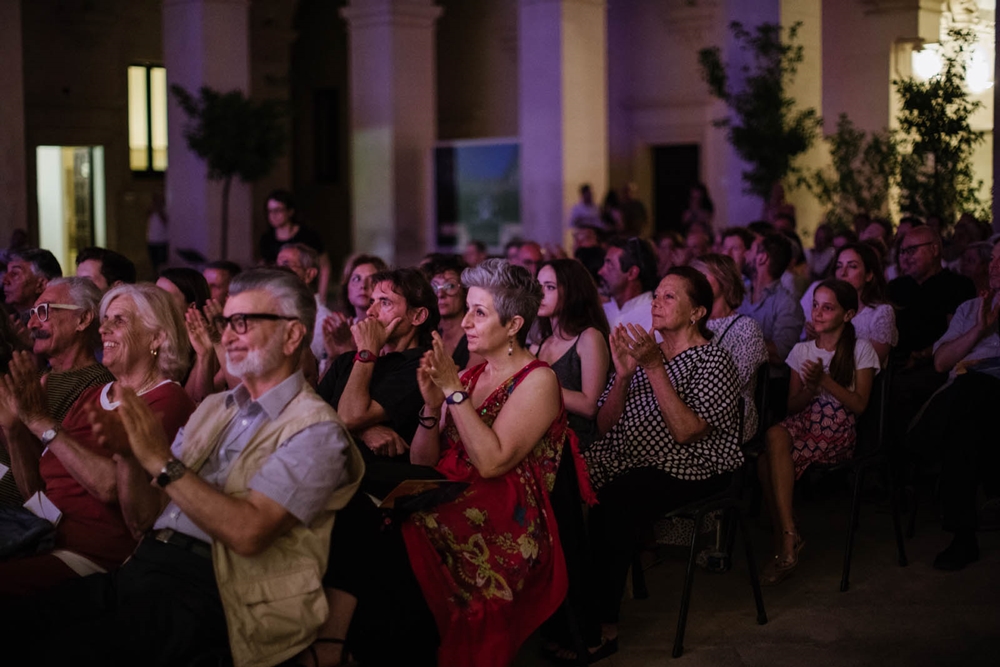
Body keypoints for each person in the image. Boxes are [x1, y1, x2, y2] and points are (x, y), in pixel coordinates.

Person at [0, 269, 364, 667]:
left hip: (217, 589)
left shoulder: (316, 429)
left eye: (242, 323)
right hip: (144, 566)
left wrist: (161, 462)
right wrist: (126, 456)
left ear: (293, 336)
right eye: (225, 323)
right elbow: (142, 520)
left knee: (54, 653)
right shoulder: (215, 408)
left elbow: (248, 532)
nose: (226, 335)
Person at [397, 258, 571, 667]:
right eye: (469, 309)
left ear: (512, 325)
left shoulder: (538, 379)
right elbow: (422, 461)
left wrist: (454, 394)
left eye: (480, 312)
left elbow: (492, 463)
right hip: (453, 490)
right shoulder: (473, 375)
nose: (467, 321)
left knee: (409, 529)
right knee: (376, 517)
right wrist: (430, 404)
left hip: (507, 513)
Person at [575, 266, 743, 660]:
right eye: (656, 295)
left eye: (670, 297)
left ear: (697, 312)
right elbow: (602, 426)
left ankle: (603, 626)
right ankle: (565, 611)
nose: (657, 303)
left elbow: (686, 432)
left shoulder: (713, 360)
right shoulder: (646, 352)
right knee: (560, 481)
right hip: (627, 456)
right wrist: (621, 376)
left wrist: (652, 368)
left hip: (695, 465)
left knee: (615, 499)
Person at [0, 283, 195, 594]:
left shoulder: (167, 399)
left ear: (156, 337)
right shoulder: (93, 395)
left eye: (119, 320)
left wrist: (43, 425)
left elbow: (111, 486)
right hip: (40, 536)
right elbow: (37, 490)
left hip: (92, 557)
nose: (103, 329)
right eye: (105, 319)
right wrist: (13, 430)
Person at [757, 279, 879, 585]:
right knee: (773, 436)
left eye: (828, 307)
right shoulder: (801, 350)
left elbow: (860, 405)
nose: (818, 313)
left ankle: (785, 539)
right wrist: (810, 389)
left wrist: (824, 381)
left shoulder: (860, 350)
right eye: (815, 305)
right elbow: (792, 407)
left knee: (765, 461)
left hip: (838, 428)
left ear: (848, 314)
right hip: (804, 423)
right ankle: (788, 534)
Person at [908, 239, 1000, 570]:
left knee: (972, 385)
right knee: (964, 427)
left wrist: (979, 366)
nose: (993, 265)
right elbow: (941, 363)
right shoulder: (967, 309)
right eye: (993, 259)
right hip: (965, 399)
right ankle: (967, 531)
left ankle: (917, 442)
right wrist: (979, 329)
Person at [0, 278, 114, 509]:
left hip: (30, 524)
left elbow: (51, 476)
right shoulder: (38, 376)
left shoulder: (97, 385)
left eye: (43, 312)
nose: (31, 324)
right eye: (31, 313)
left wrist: (13, 431)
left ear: (82, 319)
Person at [318, 267, 438, 480]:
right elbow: (310, 420)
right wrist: (363, 432)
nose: (370, 311)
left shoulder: (421, 368)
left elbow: (351, 416)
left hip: (378, 484)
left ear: (418, 316)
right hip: (329, 470)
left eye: (385, 303)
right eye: (372, 301)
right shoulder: (347, 361)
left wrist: (367, 351)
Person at [533, 259, 610, 449]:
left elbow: (590, 406)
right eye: (538, 286)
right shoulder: (544, 342)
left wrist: (536, 388)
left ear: (572, 292)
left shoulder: (589, 337)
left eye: (549, 287)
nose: (540, 294)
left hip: (577, 445)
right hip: (542, 440)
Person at [691, 254, 768, 441]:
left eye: (702, 275)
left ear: (724, 279)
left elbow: (732, 383)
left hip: (732, 416)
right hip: (691, 410)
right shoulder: (691, 322)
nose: (695, 281)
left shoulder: (746, 328)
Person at [801, 243, 897, 365]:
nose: (843, 273)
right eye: (839, 266)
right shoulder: (827, 308)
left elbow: (872, 365)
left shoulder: (881, 312)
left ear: (869, 275)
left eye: (852, 266)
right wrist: (815, 338)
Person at [258, 189, 332, 302]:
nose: (273, 215)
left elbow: (324, 266)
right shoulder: (266, 239)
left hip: (306, 292)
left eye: (278, 210)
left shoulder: (308, 235)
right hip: (277, 294)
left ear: (290, 211)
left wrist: (322, 296)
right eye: (270, 211)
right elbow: (263, 267)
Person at [277, 243, 332, 373]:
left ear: (309, 274)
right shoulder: (276, 312)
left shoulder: (323, 321)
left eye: (285, 265)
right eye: (276, 265)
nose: (278, 271)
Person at [423, 255, 482, 370]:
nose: (440, 294)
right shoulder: (428, 336)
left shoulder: (476, 337)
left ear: (465, 291)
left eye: (450, 286)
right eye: (434, 287)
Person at [598, 237, 659, 334]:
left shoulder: (655, 318)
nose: (600, 272)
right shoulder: (600, 312)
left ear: (632, 273)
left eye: (610, 265)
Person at [3, 248, 62, 321]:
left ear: (41, 284)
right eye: (6, 272)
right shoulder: (8, 322)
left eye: (15, 273)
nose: (4, 280)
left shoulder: (58, 326)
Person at [146, 192, 169, 272]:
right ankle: (155, 277)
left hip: (161, 241)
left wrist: (159, 210)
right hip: (151, 240)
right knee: (154, 263)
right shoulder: (152, 210)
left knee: (162, 263)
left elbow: (166, 221)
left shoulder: (166, 208)